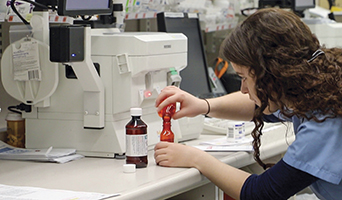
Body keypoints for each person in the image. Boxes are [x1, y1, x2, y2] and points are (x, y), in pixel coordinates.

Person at [154, 8, 342, 200]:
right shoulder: (317, 89)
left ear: (271, 75)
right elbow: (256, 104)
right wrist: (204, 106)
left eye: (244, 78)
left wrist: (195, 158)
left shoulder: (323, 122)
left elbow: (262, 193)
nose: (243, 89)